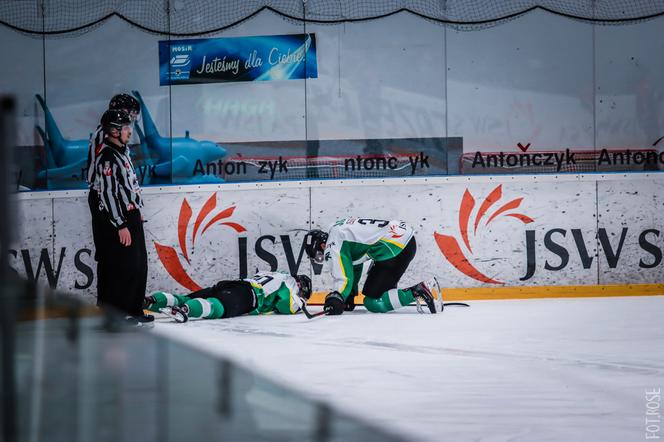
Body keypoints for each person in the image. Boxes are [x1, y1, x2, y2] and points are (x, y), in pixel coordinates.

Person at [303, 217, 439, 315]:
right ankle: (416, 291)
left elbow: (343, 276)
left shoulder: (332, 244)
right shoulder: (338, 229)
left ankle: (418, 291)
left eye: (319, 254)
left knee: (373, 302)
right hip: (401, 242)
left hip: (394, 248)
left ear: (322, 245)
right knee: (375, 291)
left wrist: (338, 296)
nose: (322, 256)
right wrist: (349, 295)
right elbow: (352, 266)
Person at [94, 109, 150, 326]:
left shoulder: (122, 151)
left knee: (139, 264)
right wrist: (120, 224)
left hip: (132, 214)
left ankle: (134, 309)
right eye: (126, 128)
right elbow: (108, 194)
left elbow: (129, 186)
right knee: (123, 266)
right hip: (120, 218)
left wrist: (137, 210)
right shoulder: (107, 157)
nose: (129, 131)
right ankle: (117, 314)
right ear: (114, 131)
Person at [87, 94, 140, 262]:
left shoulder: (110, 133)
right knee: (111, 254)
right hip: (105, 196)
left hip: (111, 196)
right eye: (131, 114)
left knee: (120, 255)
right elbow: (108, 185)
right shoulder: (107, 136)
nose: (131, 120)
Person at [144, 272, 312, 323]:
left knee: (184, 298)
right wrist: (302, 302)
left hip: (233, 285)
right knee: (217, 307)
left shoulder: (276, 274)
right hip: (248, 295)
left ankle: (150, 301)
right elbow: (287, 306)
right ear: (299, 284)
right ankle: (185, 310)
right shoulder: (289, 282)